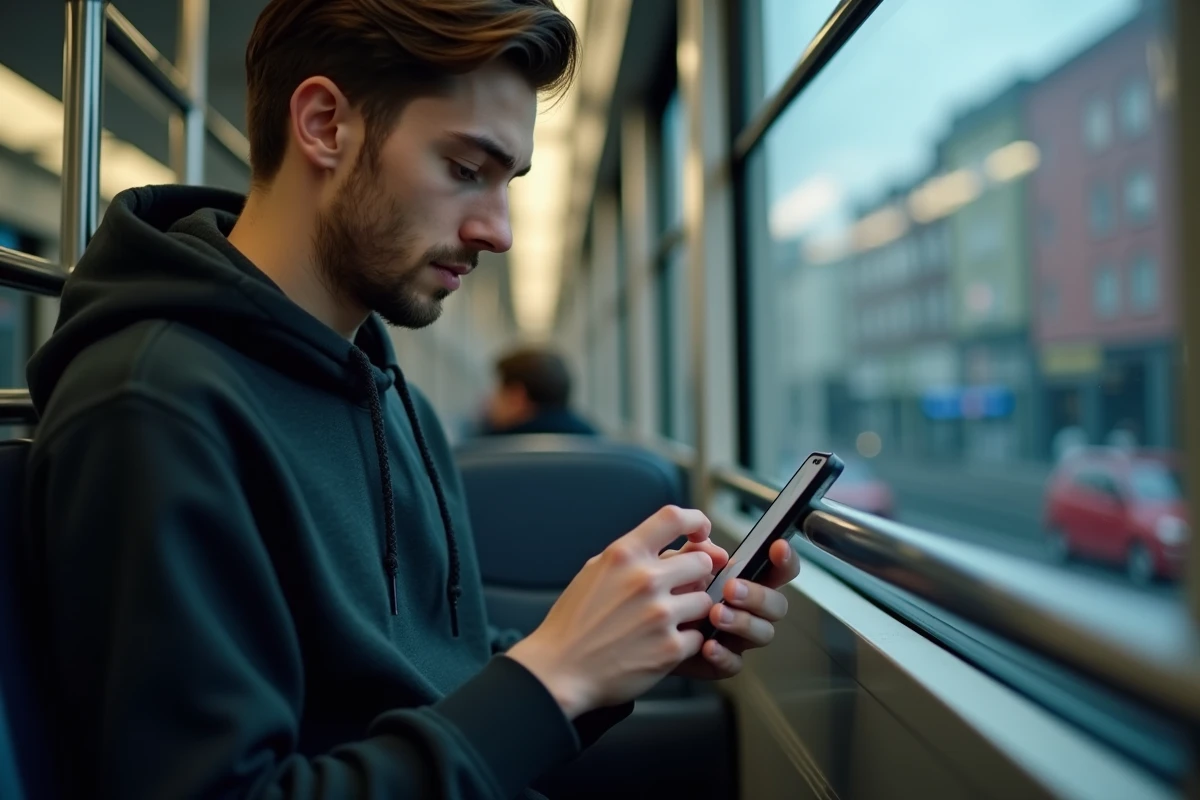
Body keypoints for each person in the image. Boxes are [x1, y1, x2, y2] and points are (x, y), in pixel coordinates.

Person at [21, 1, 800, 798]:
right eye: (465, 170)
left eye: (507, 183)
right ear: (324, 125)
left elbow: (432, 680)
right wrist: (553, 678)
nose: (498, 232)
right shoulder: (155, 407)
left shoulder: (393, 400)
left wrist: (622, 648)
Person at [481, 345, 598, 436]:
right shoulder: (596, 442)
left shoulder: (484, 449)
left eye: (498, 392)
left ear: (516, 398)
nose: (490, 400)